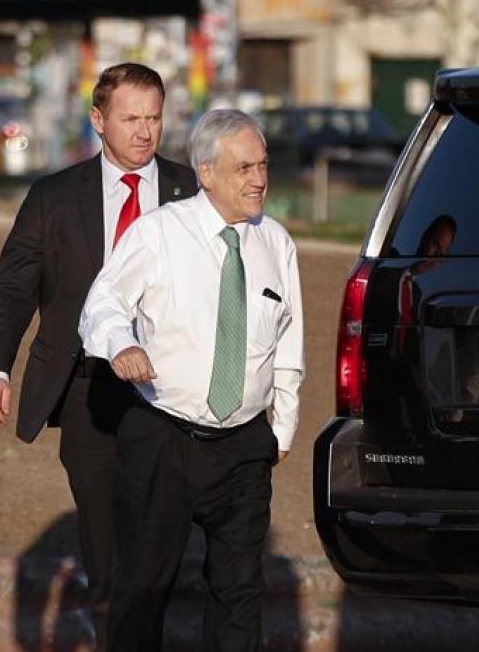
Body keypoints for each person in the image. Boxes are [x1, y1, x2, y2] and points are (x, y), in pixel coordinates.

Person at [0, 62, 196, 650]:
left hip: (169, 392)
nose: (145, 132)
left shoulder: (192, 191)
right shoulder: (53, 196)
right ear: (98, 120)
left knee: (156, 545)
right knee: (106, 550)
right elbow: (11, 288)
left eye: (154, 118)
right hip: (86, 391)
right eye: (130, 118)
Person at [80, 109, 304, 652]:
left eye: (263, 166)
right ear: (205, 172)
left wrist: (283, 429)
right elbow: (101, 301)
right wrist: (122, 344)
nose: (258, 179)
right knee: (144, 588)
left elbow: (290, 340)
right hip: (164, 438)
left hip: (245, 446)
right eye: (243, 167)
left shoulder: (275, 243)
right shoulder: (159, 233)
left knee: (240, 592)